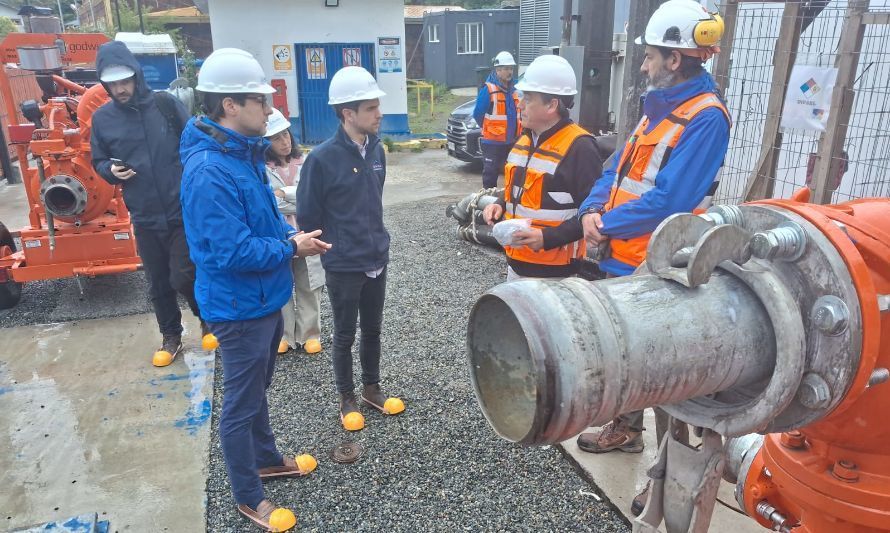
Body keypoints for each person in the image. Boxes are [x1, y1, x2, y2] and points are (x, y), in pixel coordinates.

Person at [573, 0, 731, 515]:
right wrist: (593, 210)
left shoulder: (706, 119)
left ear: (676, 59)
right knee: (631, 359)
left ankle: (665, 479)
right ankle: (628, 430)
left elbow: (671, 199)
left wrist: (606, 224)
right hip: (624, 258)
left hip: (664, 267)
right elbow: (614, 169)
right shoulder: (657, 110)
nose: (642, 65)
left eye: (650, 57)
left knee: (669, 378)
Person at [179, 48, 330, 532]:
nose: (269, 111)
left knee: (257, 391)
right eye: (261, 102)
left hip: (262, 301)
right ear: (229, 105)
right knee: (241, 405)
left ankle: (266, 460)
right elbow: (230, 252)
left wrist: (287, 244)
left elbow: (256, 224)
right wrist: (291, 247)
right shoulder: (209, 170)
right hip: (238, 307)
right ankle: (248, 495)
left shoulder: (239, 153)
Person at [91, 40, 217, 367]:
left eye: (125, 81)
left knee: (184, 274)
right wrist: (110, 171)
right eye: (113, 83)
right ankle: (171, 336)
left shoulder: (164, 105)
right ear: (104, 83)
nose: (120, 89)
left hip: (180, 210)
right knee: (157, 282)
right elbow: (99, 160)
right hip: (144, 214)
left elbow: (194, 140)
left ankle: (205, 319)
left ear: (136, 76)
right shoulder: (103, 119)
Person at [297, 66, 405, 432]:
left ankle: (372, 388)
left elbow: (375, 197)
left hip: (377, 255)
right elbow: (308, 215)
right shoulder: (321, 159)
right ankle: (347, 397)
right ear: (348, 113)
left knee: (373, 329)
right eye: (371, 108)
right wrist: (335, 246)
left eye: (378, 106)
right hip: (344, 263)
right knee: (345, 333)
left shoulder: (377, 149)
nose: (379, 114)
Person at [481, 55, 602, 280]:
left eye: (528, 98)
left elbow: (592, 213)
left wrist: (546, 238)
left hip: (557, 275)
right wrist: (499, 204)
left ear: (552, 105)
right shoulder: (524, 141)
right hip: (516, 265)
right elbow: (520, 193)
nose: (519, 103)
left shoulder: (580, 147)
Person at [263, 108, 325, 356]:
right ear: (266, 142)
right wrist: (294, 195)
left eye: (286, 135)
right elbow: (266, 203)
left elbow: (314, 197)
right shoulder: (261, 167)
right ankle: (284, 335)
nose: (284, 141)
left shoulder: (307, 162)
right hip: (278, 236)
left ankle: (310, 333)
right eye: (276, 138)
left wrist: (284, 194)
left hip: (307, 232)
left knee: (309, 284)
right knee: (281, 285)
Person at [473, 51, 521, 189]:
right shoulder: (488, 89)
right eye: (506, 68)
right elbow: (478, 113)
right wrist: (489, 128)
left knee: (514, 172)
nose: (509, 71)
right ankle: (488, 203)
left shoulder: (516, 88)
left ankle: (509, 201)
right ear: (497, 70)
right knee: (490, 174)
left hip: (513, 140)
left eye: (511, 68)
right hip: (493, 141)